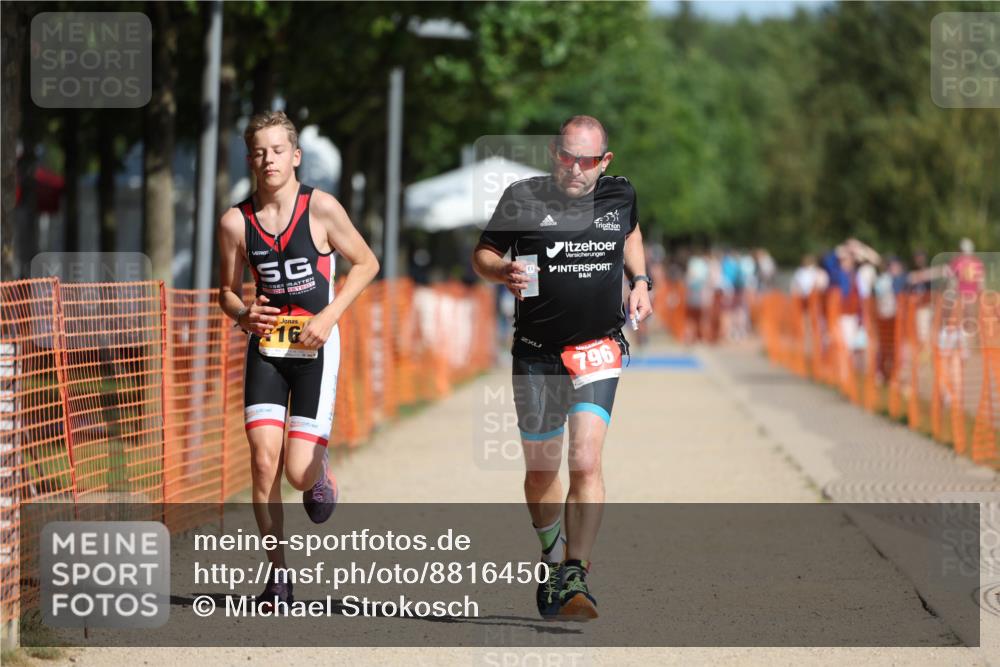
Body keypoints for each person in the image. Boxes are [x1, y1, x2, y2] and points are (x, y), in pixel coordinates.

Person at [471, 116, 652, 621]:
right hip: (536, 352)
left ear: (605, 162)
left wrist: (641, 281)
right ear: (554, 153)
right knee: (541, 472)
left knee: (586, 461)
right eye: (568, 157)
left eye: (587, 161)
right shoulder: (522, 196)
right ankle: (551, 555)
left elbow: (632, 233)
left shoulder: (620, 194)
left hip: (598, 346)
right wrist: (500, 270)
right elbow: (482, 255)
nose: (576, 169)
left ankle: (576, 571)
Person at [217, 111, 379, 608]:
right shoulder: (234, 222)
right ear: (251, 159)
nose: (269, 160)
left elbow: (367, 263)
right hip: (266, 350)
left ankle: (318, 472)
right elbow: (225, 291)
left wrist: (329, 315)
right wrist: (244, 315)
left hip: (316, 348)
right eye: (260, 152)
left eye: (278, 150)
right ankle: (279, 578)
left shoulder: (321, 208)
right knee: (263, 463)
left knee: (296, 474)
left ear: (295, 156)